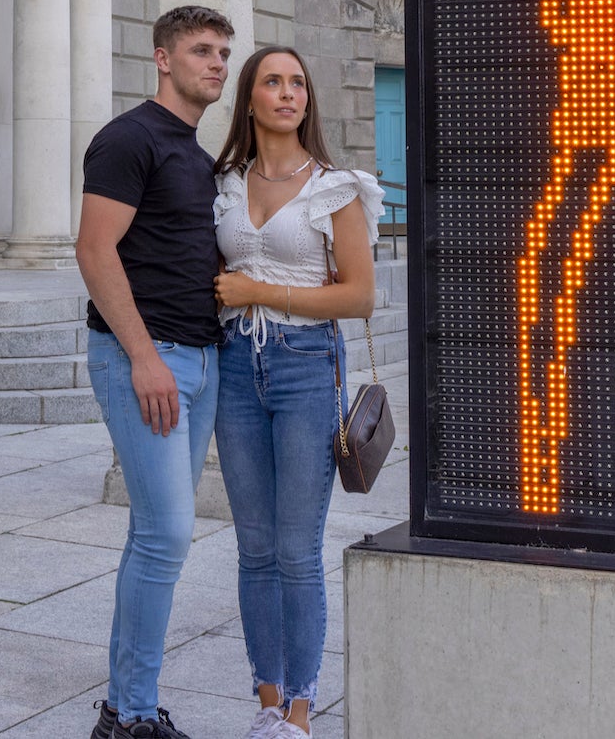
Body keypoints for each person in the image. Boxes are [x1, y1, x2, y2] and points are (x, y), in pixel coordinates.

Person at [210, 47, 383, 739]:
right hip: (233, 365)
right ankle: (266, 700)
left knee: (294, 549)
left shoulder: (334, 187)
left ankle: (301, 715)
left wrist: (259, 290)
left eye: (297, 83)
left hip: (306, 364)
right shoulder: (222, 182)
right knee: (252, 547)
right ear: (249, 99)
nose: (288, 94)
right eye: (272, 82)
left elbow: (360, 296)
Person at [78, 5, 237, 739]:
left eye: (223, 52)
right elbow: (94, 250)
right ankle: (129, 714)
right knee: (168, 534)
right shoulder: (128, 138)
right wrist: (143, 356)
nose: (217, 63)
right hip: (147, 357)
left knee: (157, 534)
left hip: (199, 358)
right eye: (202, 50)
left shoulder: (197, 154)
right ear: (163, 59)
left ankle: (128, 705)